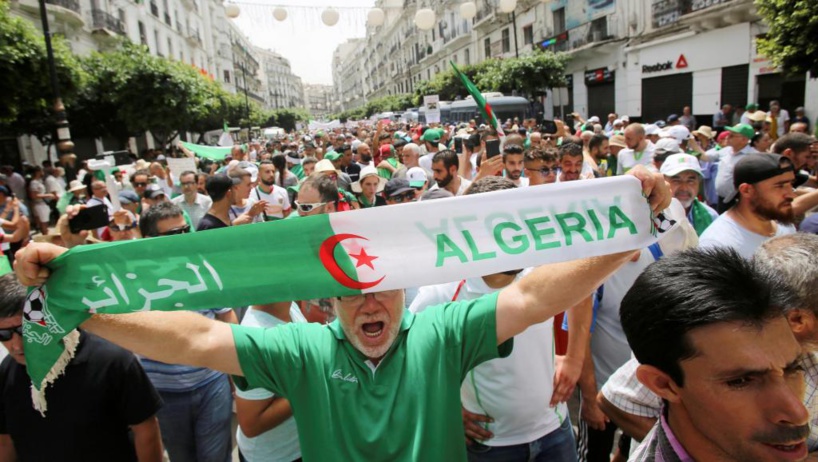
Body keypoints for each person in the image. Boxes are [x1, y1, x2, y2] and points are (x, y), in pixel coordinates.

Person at [13, 165, 671, 461]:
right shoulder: (304, 351)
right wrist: (82, 307)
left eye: (385, 287)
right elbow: (194, 337)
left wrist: (621, 232)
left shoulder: (441, 332)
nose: (371, 302)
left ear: (406, 292)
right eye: (353, 291)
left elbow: (533, 297)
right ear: (330, 303)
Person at [410, 176, 581, 462]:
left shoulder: (543, 269)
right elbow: (404, 356)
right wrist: (445, 409)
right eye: (501, 225)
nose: (515, 234)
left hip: (555, 433)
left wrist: (574, 357)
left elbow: (582, 290)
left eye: (520, 222)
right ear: (475, 231)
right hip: (490, 447)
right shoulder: (444, 291)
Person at [599, 233, 818, 452]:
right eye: (741, 381)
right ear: (798, 319)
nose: (798, 414)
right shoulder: (699, 343)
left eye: (793, 368)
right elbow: (615, 400)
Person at [0, 273, 164, 461]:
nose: (17, 345)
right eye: (4, 334)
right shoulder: (7, 372)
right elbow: (5, 441)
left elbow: (146, 431)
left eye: (24, 331)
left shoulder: (112, 362)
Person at [138, 202, 236, 462]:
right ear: (149, 240)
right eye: (172, 234)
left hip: (211, 383)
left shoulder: (202, 269)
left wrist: (236, 367)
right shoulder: (131, 281)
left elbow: (226, 314)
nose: (181, 239)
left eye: (184, 231)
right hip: (162, 394)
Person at [235, 300, 304, 462]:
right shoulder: (255, 338)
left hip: (297, 445)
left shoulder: (288, 304)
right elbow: (251, 424)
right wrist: (309, 384)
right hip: (273, 456)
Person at [699, 154, 796, 258]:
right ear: (746, 190)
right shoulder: (718, 245)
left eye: (791, 184)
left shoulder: (785, 227)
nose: (791, 194)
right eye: (779, 186)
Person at [701, 123, 756, 213]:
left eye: (732, 135)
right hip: (721, 200)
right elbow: (705, 157)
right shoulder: (726, 150)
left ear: (744, 139)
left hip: (738, 201)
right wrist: (691, 142)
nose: (728, 137)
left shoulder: (753, 156)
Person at [660, 154, 718, 236]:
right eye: (676, 180)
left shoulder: (710, 216)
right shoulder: (651, 215)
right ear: (663, 181)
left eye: (690, 181)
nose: (684, 188)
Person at [27, 166, 54, 235]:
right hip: (40, 204)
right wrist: (48, 195)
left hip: (42, 203)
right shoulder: (34, 183)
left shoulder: (39, 181)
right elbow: (33, 196)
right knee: (44, 223)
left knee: (45, 222)